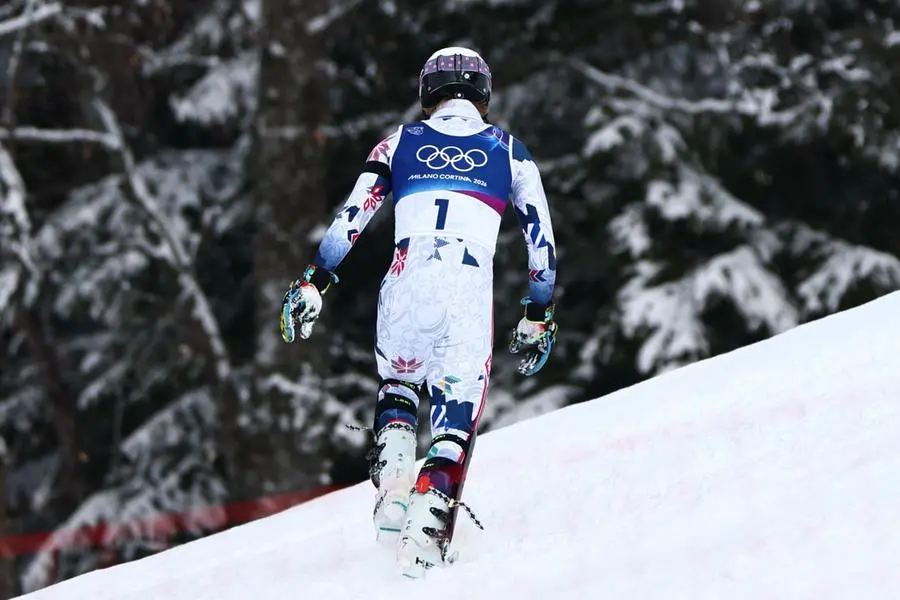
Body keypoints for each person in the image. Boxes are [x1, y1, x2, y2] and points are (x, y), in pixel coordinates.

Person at [280, 46, 558, 577]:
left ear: (427, 94)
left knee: (398, 387)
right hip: (467, 287)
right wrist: (538, 313)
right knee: (456, 420)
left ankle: (393, 484)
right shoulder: (511, 152)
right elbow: (541, 247)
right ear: (483, 93)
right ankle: (428, 534)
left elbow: (351, 218)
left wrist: (314, 280)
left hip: (405, 279)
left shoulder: (398, 142)